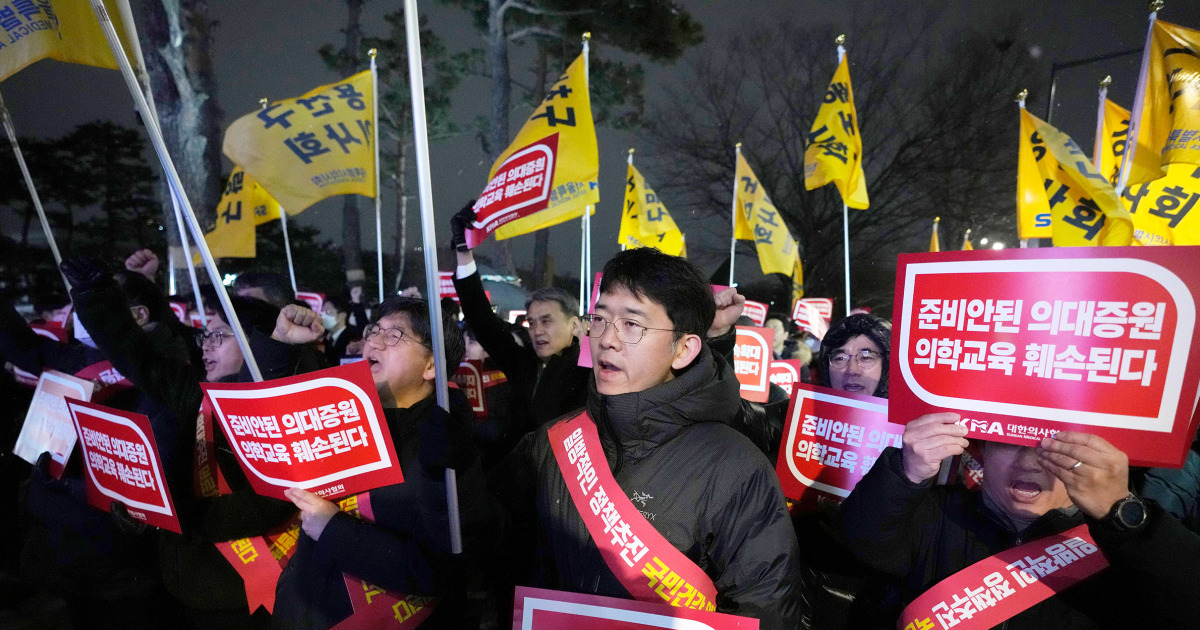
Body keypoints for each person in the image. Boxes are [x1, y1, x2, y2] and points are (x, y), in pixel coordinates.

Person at [494, 248, 805, 628]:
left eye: (632, 325)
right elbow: (495, 548)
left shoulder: (738, 470)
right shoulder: (551, 442)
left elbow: (766, 611)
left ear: (683, 348)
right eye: (601, 319)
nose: (607, 339)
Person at [62, 256, 324, 629]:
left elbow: (260, 506)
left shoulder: (288, 413)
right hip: (185, 589)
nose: (206, 346)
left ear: (257, 343)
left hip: (251, 597)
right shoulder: (199, 394)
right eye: (205, 335)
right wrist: (95, 295)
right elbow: (139, 359)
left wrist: (175, 515)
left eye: (220, 336)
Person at [840, 412, 1200, 627]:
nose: (1028, 462)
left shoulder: (1119, 546)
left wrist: (1124, 516)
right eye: (1010, 443)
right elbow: (860, 543)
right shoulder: (937, 514)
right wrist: (905, 473)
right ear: (981, 449)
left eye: (1051, 448)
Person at [273, 297, 498, 629]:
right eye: (373, 330)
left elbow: (440, 568)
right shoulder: (338, 418)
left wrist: (333, 529)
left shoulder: (448, 452)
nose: (373, 341)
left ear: (431, 367)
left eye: (394, 335)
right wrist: (282, 348)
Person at [0, 267, 192, 629]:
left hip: (121, 561)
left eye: (95, 303)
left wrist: (73, 487)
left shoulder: (163, 369)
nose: (81, 315)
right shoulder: (78, 358)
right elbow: (20, 345)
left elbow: (154, 473)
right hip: (59, 548)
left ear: (138, 315)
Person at [449, 202, 589, 433]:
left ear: (574, 324)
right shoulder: (523, 363)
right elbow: (482, 319)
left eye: (547, 321)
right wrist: (464, 253)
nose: (537, 330)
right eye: (531, 322)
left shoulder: (590, 372)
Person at [816, 313, 890, 398]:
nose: (851, 370)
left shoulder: (906, 410)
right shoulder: (806, 409)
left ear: (886, 365)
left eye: (865, 358)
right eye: (840, 358)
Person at [320, 294, 361, 365]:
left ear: (342, 316)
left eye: (328, 312)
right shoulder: (324, 338)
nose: (323, 316)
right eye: (322, 312)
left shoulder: (353, 339)